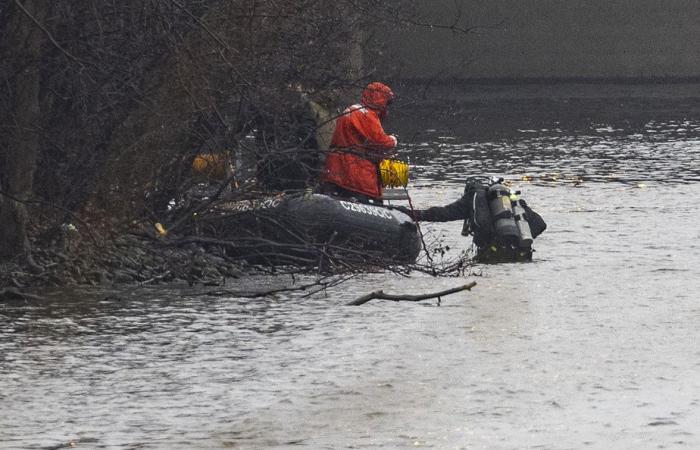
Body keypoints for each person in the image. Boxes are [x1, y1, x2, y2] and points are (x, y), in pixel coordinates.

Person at [319, 82, 398, 203]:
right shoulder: (366, 115)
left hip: (336, 169)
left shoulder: (350, 110)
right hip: (356, 173)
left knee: (341, 196)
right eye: (387, 102)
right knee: (367, 201)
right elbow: (379, 141)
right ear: (380, 99)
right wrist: (393, 140)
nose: (387, 106)